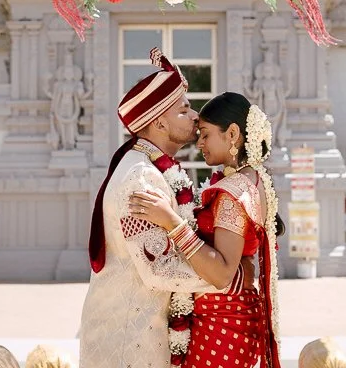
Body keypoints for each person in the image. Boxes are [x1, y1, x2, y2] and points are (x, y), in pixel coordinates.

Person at [79, 48, 217, 368]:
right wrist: (225, 275)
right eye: (184, 110)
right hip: (128, 340)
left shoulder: (151, 169)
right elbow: (160, 270)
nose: (196, 116)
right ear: (159, 123)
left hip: (137, 332)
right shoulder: (140, 179)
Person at [130, 92, 283, 368]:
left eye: (205, 134)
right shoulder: (252, 178)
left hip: (222, 325)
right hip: (234, 317)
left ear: (232, 133)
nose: (199, 142)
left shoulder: (233, 192)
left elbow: (221, 273)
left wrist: (171, 222)